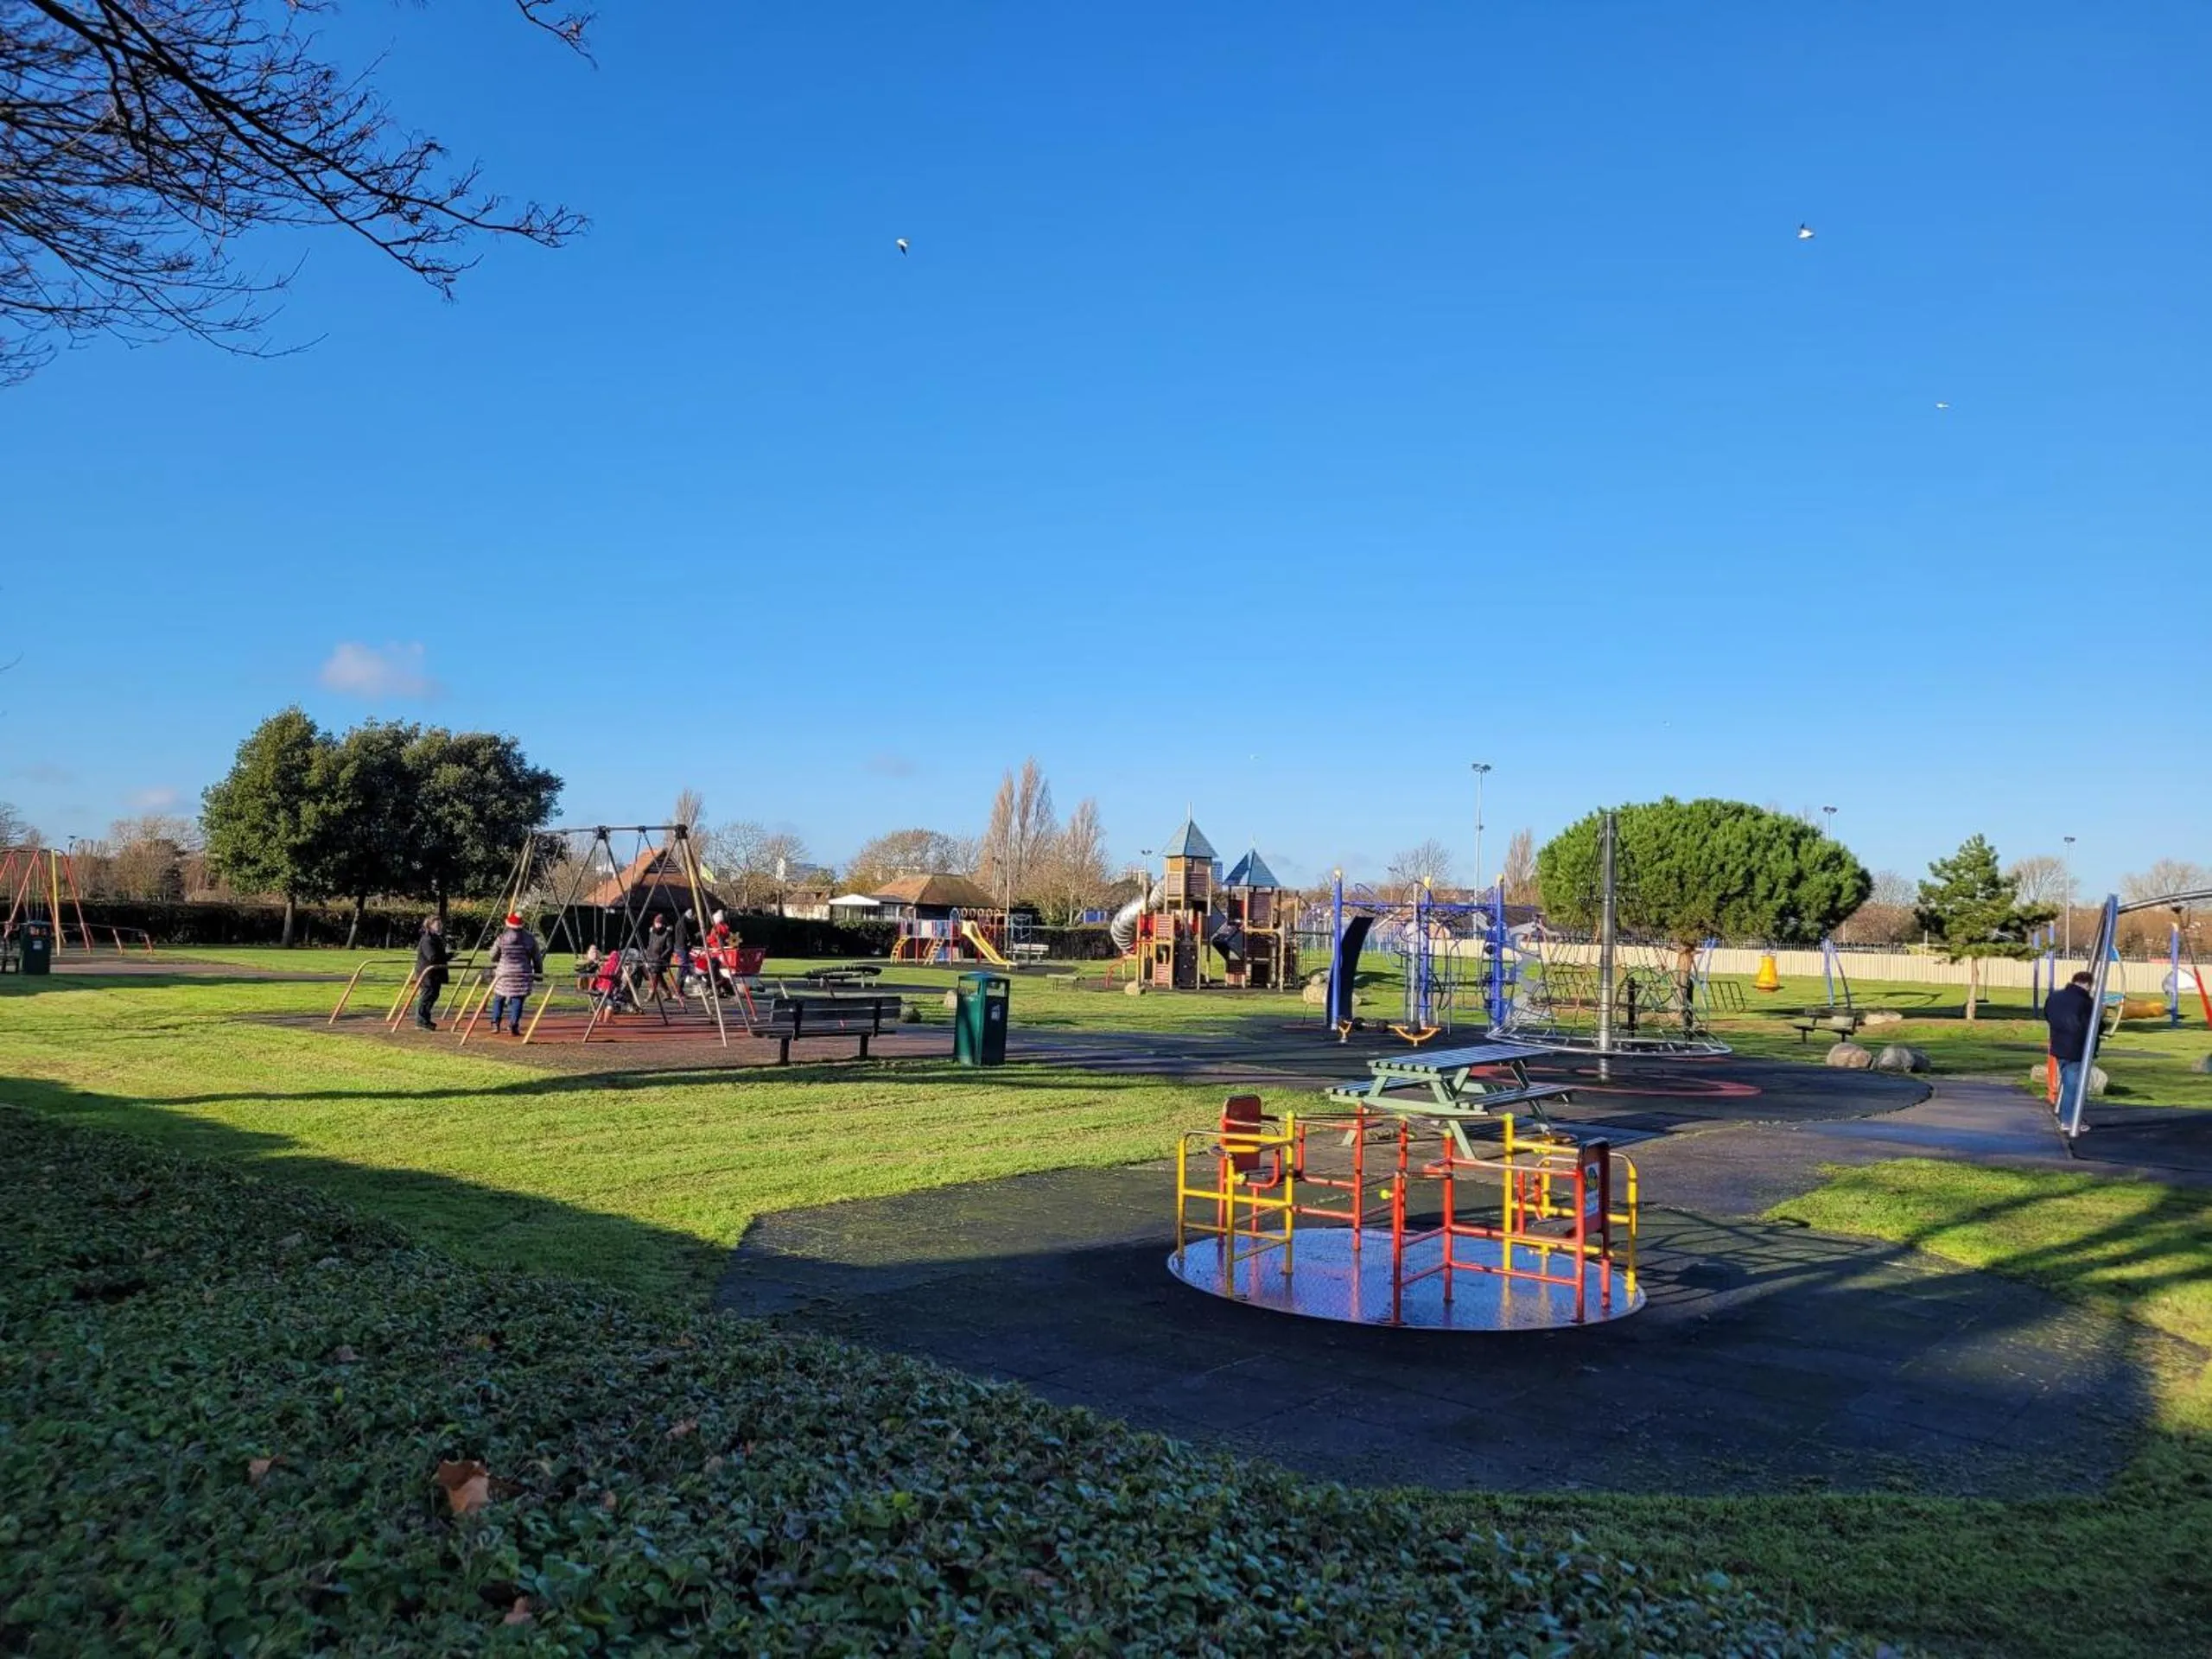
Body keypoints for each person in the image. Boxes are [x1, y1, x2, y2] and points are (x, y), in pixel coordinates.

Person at [2044, 969, 2095, 1121]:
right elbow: (2089, 1024)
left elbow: (2048, 1015)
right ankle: (2069, 1119)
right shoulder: (2085, 1002)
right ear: (2087, 984)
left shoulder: (2055, 997)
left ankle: (2069, 1115)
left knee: (2068, 1081)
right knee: (2073, 1086)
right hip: (2077, 1047)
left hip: (2058, 1043)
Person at [486, 911, 543, 1035]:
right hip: (522, 972)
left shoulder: (502, 938)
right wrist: (539, 972)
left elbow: (492, 956)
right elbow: (537, 958)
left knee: (499, 997)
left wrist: (499, 957)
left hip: (504, 973)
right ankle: (514, 1024)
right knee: (518, 998)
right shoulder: (530, 939)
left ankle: (495, 1023)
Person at [412, 916, 449, 1030]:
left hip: (435, 972)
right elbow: (432, 957)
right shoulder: (427, 939)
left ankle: (425, 1019)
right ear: (430, 926)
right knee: (427, 995)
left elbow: (437, 955)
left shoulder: (436, 938)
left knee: (433, 994)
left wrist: (447, 956)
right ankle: (421, 1021)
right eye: (437, 925)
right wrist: (446, 956)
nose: (440, 927)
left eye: (440, 925)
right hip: (427, 973)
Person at [642, 914, 676, 1000]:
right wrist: (647, 953)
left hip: (660, 958)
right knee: (657, 975)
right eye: (657, 923)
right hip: (650, 956)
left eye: (660, 923)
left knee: (655, 973)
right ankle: (667, 992)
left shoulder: (667, 933)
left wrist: (662, 957)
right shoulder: (653, 932)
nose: (658, 925)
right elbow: (650, 944)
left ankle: (651, 993)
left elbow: (670, 947)